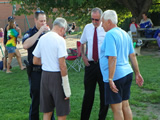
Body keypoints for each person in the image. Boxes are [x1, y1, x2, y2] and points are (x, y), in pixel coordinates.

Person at [100, 10, 144, 120]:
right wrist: (137, 73)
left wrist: (110, 78)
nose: (101, 25)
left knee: (117, 109)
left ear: (109, 22)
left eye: (103, 22)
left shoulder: (110, 34)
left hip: (116, 76)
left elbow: (113, 57)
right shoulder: (125, 33)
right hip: (127, 73)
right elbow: (132, 55)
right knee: (125, 105)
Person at [32, 17, 71, 120]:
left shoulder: (42, 38)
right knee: (62, 112)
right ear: (62, 29)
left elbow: (35, 61)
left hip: (45, 77)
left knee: (47, 111)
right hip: (57, 77)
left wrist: (46, 62)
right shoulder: (60, 40)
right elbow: (62, 65)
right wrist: (66, 87)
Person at [22, 10, 55, 120]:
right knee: (36, 100)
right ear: (35, 20)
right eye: (41, 21)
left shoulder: (48, 33)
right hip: (35, 71)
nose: (43, 23)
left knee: (50, 99)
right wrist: (39, 32)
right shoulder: (30, 33)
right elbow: (25, 45)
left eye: (44, 20)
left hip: (47, 70)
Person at [80, 7, 109, 120]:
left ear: (101, 18)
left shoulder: (106, 29)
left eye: (97, 20)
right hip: (90, 65)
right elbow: (81, 42)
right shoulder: (87, 28)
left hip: (103, 65)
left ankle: (101, 118)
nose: (94, 22)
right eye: (92, 19)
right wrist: (83, 56)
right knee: (88, 94)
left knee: (104, 94)